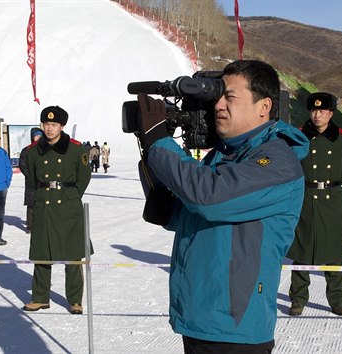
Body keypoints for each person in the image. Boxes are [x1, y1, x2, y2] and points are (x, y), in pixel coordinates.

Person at [135, 60, 309, 351]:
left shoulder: (277, 162)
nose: (219, 106)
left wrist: (159, 141)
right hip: (199, 317)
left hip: (234, 328)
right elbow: (200, 214)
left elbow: (209, 197)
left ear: (263, 106)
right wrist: (169, 208)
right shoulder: (224, 156)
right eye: (217, 97)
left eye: (230, 97)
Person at [286, 92, 342, 317]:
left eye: (322, 111)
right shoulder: (299, 136)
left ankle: (338, 300)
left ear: (331, 113)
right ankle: (298, 299)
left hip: (332, 199)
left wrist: (328, 185)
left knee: (334, 252)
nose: (317, 114)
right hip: (305, 196)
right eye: (314, 110)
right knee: (303, 250)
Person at [22, 106, 92, 315]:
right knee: (42, 253)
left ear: (62, 126)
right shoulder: (33, 151)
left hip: (68, 205)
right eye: (46, 124)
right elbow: (32, 178)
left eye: (54, 125)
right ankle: (40, 297)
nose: (49, 128)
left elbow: (83, 177)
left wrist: (70, 196)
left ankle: (75, 300)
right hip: (44, 205)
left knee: (72, 255)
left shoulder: (76, 149)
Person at [18, 127, 43, 234]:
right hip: (31, 181)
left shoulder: (47, 149)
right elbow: (22, 165)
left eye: (40, 136)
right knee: (31, 204)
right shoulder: (26, 150)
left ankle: (43, 224)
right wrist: (30, 175)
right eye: (36, 136)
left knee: (43, 203)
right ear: (32, 137)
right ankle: (30, 226)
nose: (38, 138)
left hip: (44, 181)